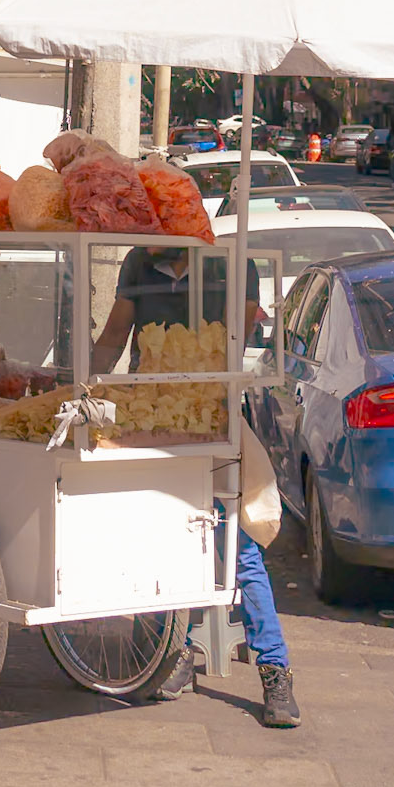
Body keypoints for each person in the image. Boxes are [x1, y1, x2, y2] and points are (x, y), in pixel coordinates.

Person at [91, 243, 301, 729]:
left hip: (212, 422)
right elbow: (116, 333)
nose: (147, 238)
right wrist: (86, 383)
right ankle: (171, 654)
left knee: (238, 550)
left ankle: (275, 669)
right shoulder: (139, 261)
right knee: (160, 539)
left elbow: (233, 343)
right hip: (151, 422)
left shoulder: (234, 265)